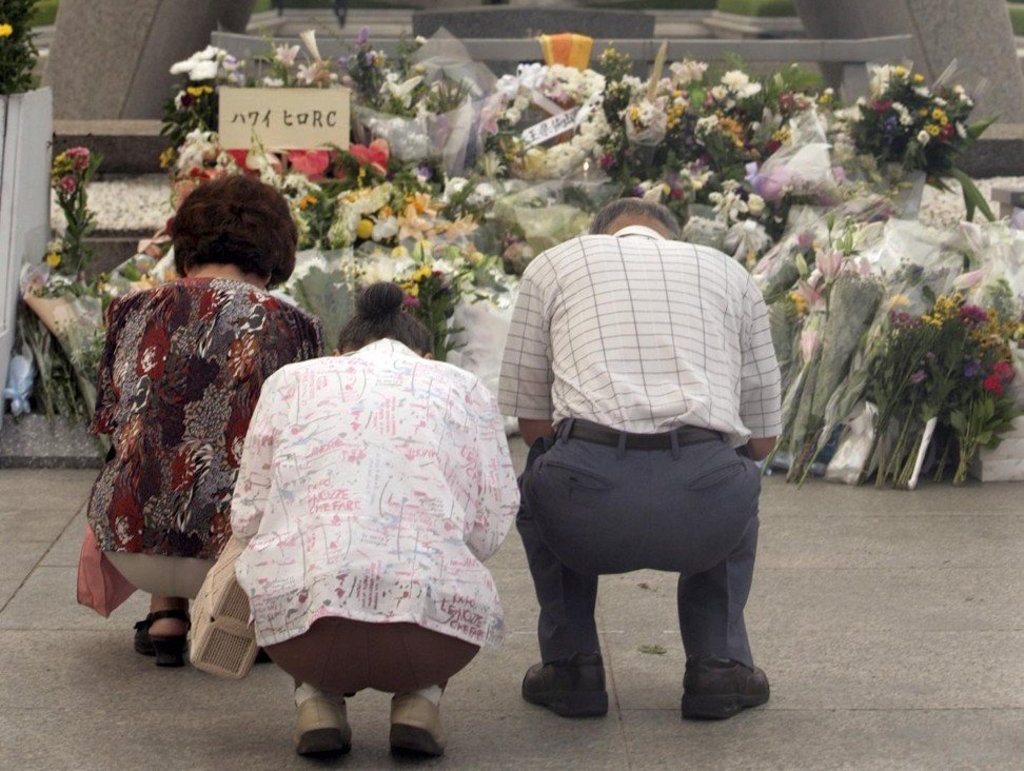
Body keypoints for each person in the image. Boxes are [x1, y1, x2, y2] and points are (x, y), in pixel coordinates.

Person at [497, 197, 780, 725]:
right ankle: (717, 667)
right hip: (704, 507)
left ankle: (571, 667)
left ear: (598, 236)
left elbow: (533, 426)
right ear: (671, 239)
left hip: (585, 503)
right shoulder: (730, 273)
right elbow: (763, 440)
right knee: (737, 481)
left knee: (542, 479)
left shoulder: (555, 264)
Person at [232, 281, 519, 759]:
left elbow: (247, 517)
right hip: (430, 638)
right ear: (426, 356)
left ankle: (315, 702)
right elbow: (489, 525)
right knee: (448, 560)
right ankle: (419, 702)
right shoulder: (462, 386)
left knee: (289, 553)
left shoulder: (289, 382)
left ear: (340, 354)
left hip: (303, 637)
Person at [87, 174, 322, 667]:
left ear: (186, 245)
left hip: (129, 542)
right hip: (232, 556)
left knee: (152, 441)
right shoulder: (293, 325)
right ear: (274, 253)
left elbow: (112, 418)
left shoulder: (129, 310)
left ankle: (166, 615)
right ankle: (240, 614)